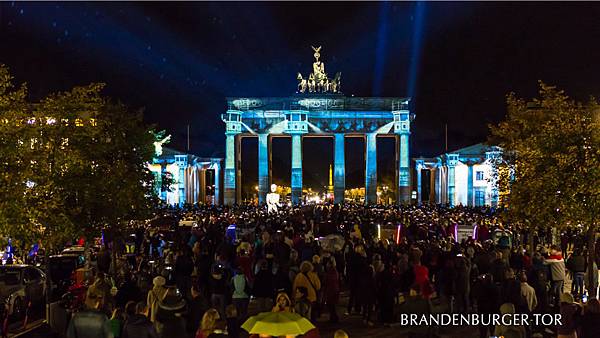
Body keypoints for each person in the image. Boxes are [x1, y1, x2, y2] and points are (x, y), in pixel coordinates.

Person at [322, 258, 340, 323]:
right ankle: (333, 318)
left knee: (331, 305)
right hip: (334, 289)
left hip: (331, 290)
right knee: (332, 305)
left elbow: (327, 281)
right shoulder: (335, 271)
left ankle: (334, 318)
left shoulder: (330, 272)